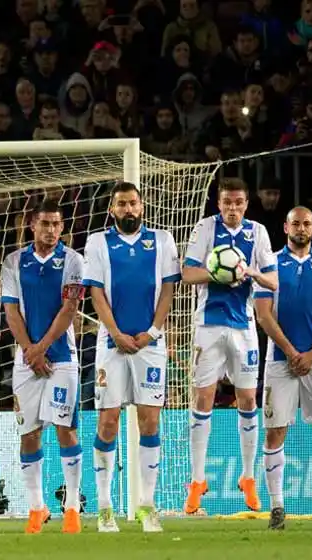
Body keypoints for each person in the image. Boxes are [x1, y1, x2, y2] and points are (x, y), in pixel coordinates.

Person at [84, 182, 180, 533]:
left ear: (142, 207)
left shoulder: (163, 240)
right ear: (112, 210)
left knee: (150, 423)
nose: (128, 209)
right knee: (108, 422)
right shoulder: (97, 242)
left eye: (133, 203)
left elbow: (168, 287)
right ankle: (105, 506)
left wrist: (152, 332)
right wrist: (116, 334)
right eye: (121, 204)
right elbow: (94, 292)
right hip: (111, 345)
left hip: (150, 345)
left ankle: (147, 505)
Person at [182, 178, 278, 514]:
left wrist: (247, 271)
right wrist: (218, 273)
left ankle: (248, 478)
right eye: (227, 203)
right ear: (218, 204)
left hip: (244, 327)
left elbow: (273, 280)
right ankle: (196, 481)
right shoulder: (206, 228)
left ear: (246, 203)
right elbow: (187, 273)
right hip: (208, 325)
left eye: (238, 202)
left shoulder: (258, 233)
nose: (232, 208)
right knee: (203, 397)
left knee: (248, 398)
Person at [254, 207, 312, 530]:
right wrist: (293, 351)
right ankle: (277, 507)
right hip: (279, 361)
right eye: (296, 223)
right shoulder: (269, 264)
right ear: (285, 227)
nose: (301, 228)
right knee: (274, 433)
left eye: (306, 223)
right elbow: (263, 314)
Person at [1, 200, 84, 534]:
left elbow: (69, 309)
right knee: (29, 434)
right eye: (45, 224)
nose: (51, 230)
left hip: (62, 358)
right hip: (26, 361)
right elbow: (10, 311)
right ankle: (37, 507)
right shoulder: (13, 261)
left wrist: (41, 349)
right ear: (31, 225)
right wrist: (29, 350)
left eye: (57, 224)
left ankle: (73, 506)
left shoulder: (74, 261)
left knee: (65, 429)